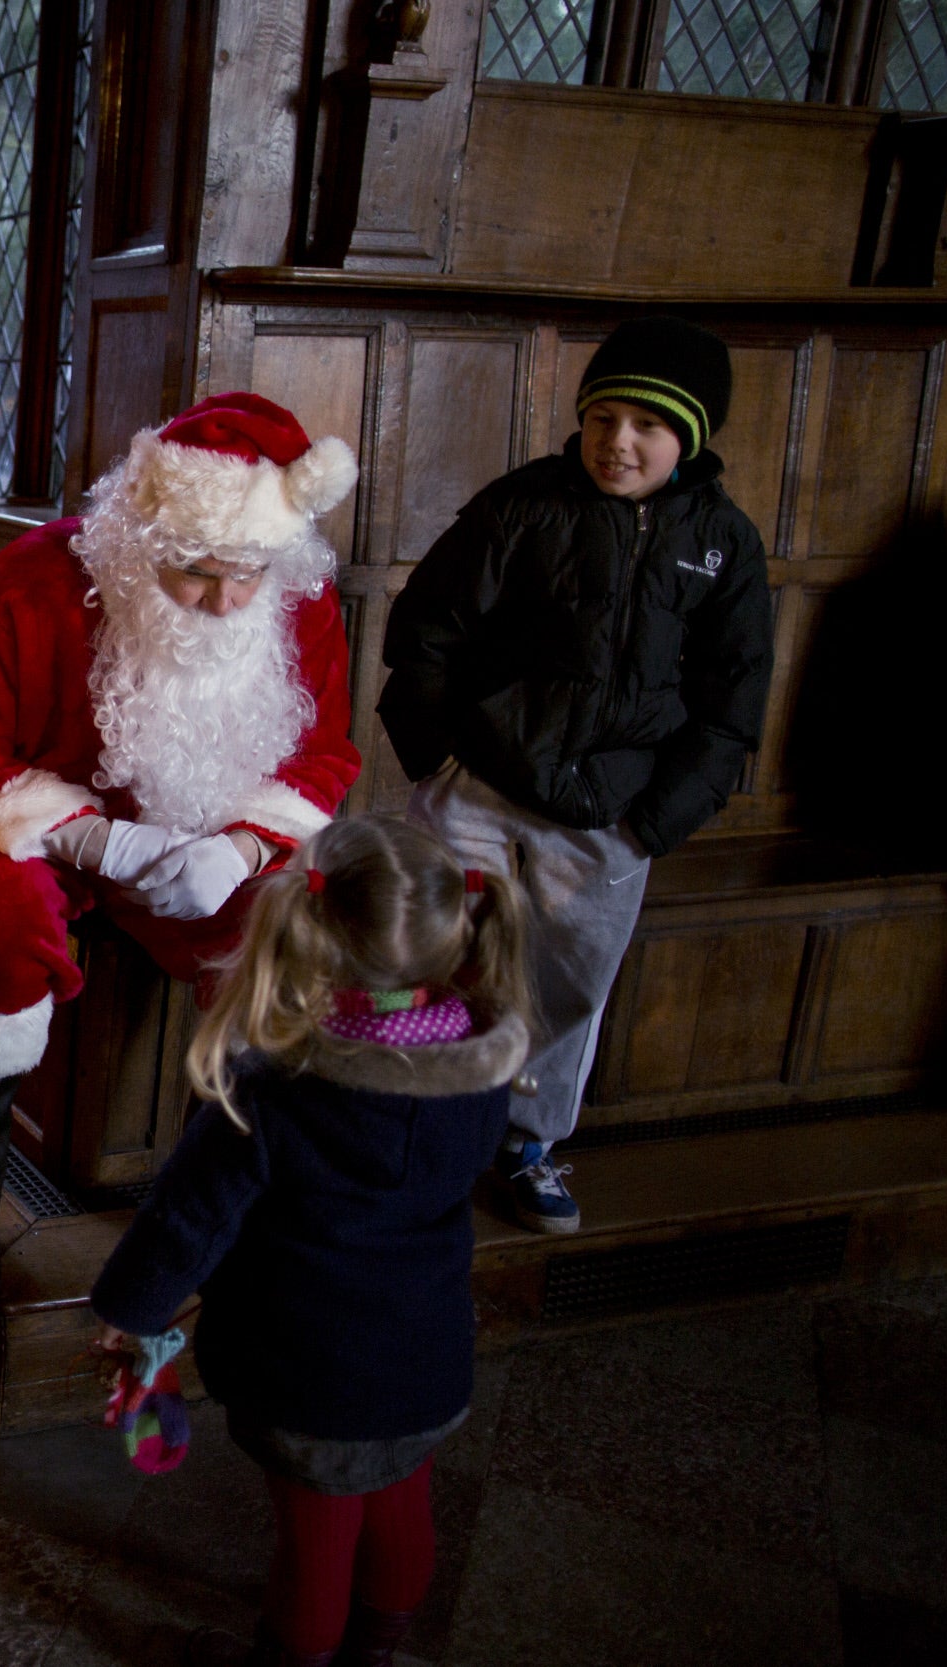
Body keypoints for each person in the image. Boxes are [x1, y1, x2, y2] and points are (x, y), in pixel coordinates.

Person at [0, 393, 363, 1302]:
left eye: (248, 574)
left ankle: (225, 1200)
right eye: (197, 570)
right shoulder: (23, 585)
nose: (225, 599)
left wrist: (239, 849)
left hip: (219, 831)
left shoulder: (293, 598)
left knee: (300, 928)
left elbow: (324, 753)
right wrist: (98, 841)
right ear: (143, 541)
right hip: (53, 831)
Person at [90, 816, 533, 1667]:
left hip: (306, 1371)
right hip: (429, 1358)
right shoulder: (482, 1067)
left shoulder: (275, 1091)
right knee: (402, 1507)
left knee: (316, 1541)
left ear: (311, 934)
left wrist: (128, 1313)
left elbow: (188, 1220)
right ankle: (375, 1654)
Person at [379, 316, 774, 1233]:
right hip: (477, 785)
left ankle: (527, 1144)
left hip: (612, 814)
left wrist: (654, 823)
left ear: (691, 436)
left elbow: (731, 704)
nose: (617, 441)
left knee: (566, 985)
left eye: (646, 424)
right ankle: (410, 1131)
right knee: (432, 959)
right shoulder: (523, 505)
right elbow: (427, 632)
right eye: (603, 417)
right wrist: (438, 758)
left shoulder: (723, 542)